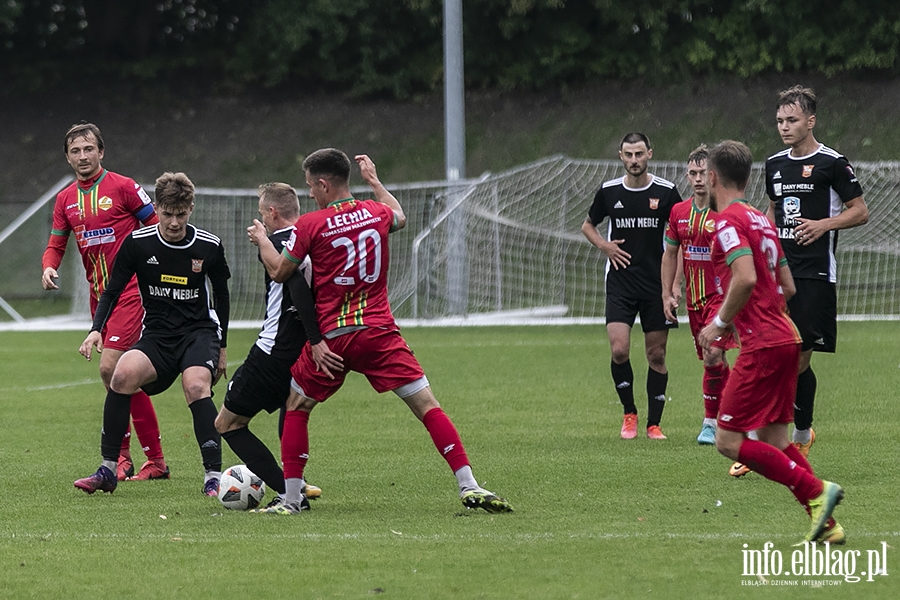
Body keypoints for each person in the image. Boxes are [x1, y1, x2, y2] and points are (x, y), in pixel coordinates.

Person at [249, 149, 512, 515]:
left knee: (296, 406)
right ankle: (469, 484)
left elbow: (280, 272)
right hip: (379, 332)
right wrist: (374, 181)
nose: (310, 194)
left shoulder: (311, 224)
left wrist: (263, 239)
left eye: (311, 186)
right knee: (427, 406)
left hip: (335, 337)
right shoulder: (376, 212)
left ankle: (292, 500)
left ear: (324, 184)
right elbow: (399, 216)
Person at [698, 140, 845, 544]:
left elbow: (745, 277)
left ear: (712, 178)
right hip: (786, 335)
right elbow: (789, 286)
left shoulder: (728, 222)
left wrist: (721, 323)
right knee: (777, 439)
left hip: (762, 344)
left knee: (728, 441)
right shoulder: (762, 221)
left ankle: (818, 492)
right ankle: (827, 522)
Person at [74, 171, 231, 497]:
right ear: (156, 208)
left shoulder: (208, 246)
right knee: (121, 375)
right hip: (158, 335)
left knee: (196, 386)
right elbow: (112, 291)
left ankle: (213, 475)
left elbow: (223, 298)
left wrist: (223, 347)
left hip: (198, 333)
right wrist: (95, 330)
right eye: (167, 213)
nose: (174, 222)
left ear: (191, 208)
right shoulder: (137, 244)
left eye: (181, 214)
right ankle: (107, 469)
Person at [42, 122, 168, 482]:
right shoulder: (65, 200)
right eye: (76, 151)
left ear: (101, 152)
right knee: (121, 376)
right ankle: (147, 460)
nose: (83, 156)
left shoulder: (125, 187)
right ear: (68, 157)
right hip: (101, 296)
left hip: (132, 290)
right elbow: (56, 244)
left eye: (88, 149)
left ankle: (126, 459)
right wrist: (49, 267)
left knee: (109, 368)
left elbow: (160, 228)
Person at [215, 182, 339, 505]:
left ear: (272, 212)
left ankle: (287, 492)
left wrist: (261, 240)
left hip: (273, 351)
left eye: (262, 215)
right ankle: (297, 483)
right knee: (291, 406)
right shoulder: (315, 239)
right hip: (307, 351)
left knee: (227, 424)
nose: (262, 221)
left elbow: (291, 280)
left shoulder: (278, 242)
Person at [764, 85, 868, 459]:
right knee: (779, 356)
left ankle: (798, 434)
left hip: (815, 274)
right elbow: (773, 210)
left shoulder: (833, 163)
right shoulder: (775, 164)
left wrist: (824, 225)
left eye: (791, 120)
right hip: (779, 274)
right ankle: (783, 439)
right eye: (779, 121)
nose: (784, 127)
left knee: (798, 358)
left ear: (811, 121)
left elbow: (860, 210)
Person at [581, 132, 681, 440]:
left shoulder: (666, 192)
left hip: (655, 285)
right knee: (620, 349)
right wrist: (606, 247)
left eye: (639, 154)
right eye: (629, 155)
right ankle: (629, 414)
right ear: (621, 157)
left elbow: (680, 236)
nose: (634, 160)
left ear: (650, 153)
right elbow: (588, 225)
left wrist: (674, 286)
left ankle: (654, 424)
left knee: (657, 355)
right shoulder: (610, 191)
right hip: (621, 282)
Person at [661, 144, 737, 446]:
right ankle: (734, 415)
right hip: (695, 300)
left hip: (723, 297)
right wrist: (669, 291)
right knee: (713, 361)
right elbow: (670, 253)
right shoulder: (679, 212)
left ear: (713, 175)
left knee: (713, 354)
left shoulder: (727, 212)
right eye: (692, 173)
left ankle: (710, 422)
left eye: (703, 173)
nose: (697, 179)